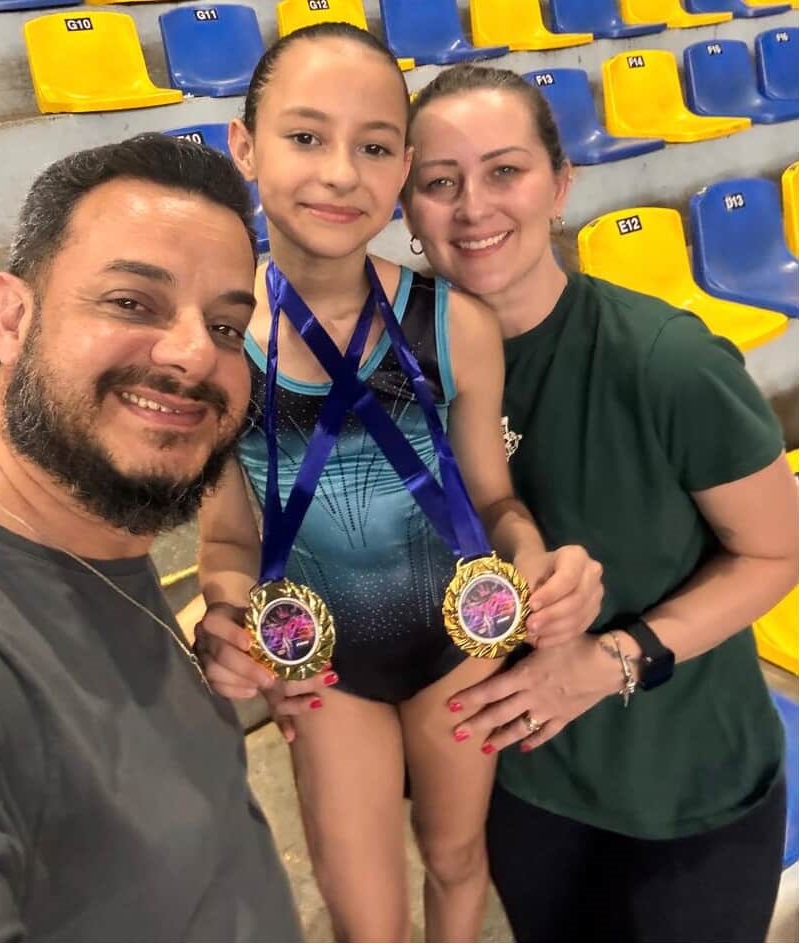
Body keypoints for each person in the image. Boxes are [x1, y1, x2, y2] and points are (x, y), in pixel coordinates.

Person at [194, 24, 602, 943]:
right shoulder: (215, 343)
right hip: (324, 664)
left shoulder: (454, 325)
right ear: (245, 146)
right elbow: (224, 542)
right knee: (362, 912)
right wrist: (237, 618)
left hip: (459, 641)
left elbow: (494, 501)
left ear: (402, 166)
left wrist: (530, 559)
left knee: (458, 861)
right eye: (304, 137)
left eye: (374, 146)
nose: (340, 172)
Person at [401, 64, 799, 943]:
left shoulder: (664, 362)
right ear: (407, 208)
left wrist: (611, 656)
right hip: (525, 786)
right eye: (439, 182)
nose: (472, 206)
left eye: (504, 170)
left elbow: (776, 553)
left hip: (685, 793)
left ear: (558, 183)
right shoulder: (403, 380)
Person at [0, 134, 302, 942]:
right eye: (130, 302)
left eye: (225, 325)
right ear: (12, 315)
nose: (193, 353)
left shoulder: (93, 545)